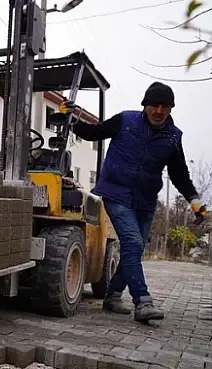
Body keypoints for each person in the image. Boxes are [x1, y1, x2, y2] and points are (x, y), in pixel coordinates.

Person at [60, 81, 207, 323]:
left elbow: (179, 173)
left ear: (171, 109)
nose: (159, 111)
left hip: (146, 201)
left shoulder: (173, 137)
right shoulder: (125, 121)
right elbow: (94, 132)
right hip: (115, 193)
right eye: (155, 105)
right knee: (132, 242)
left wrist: (194, 200)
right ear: (145, 105)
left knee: (134, 250)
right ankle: (143, 301)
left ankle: (112, 296)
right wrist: (71, 118)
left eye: (166, 106)